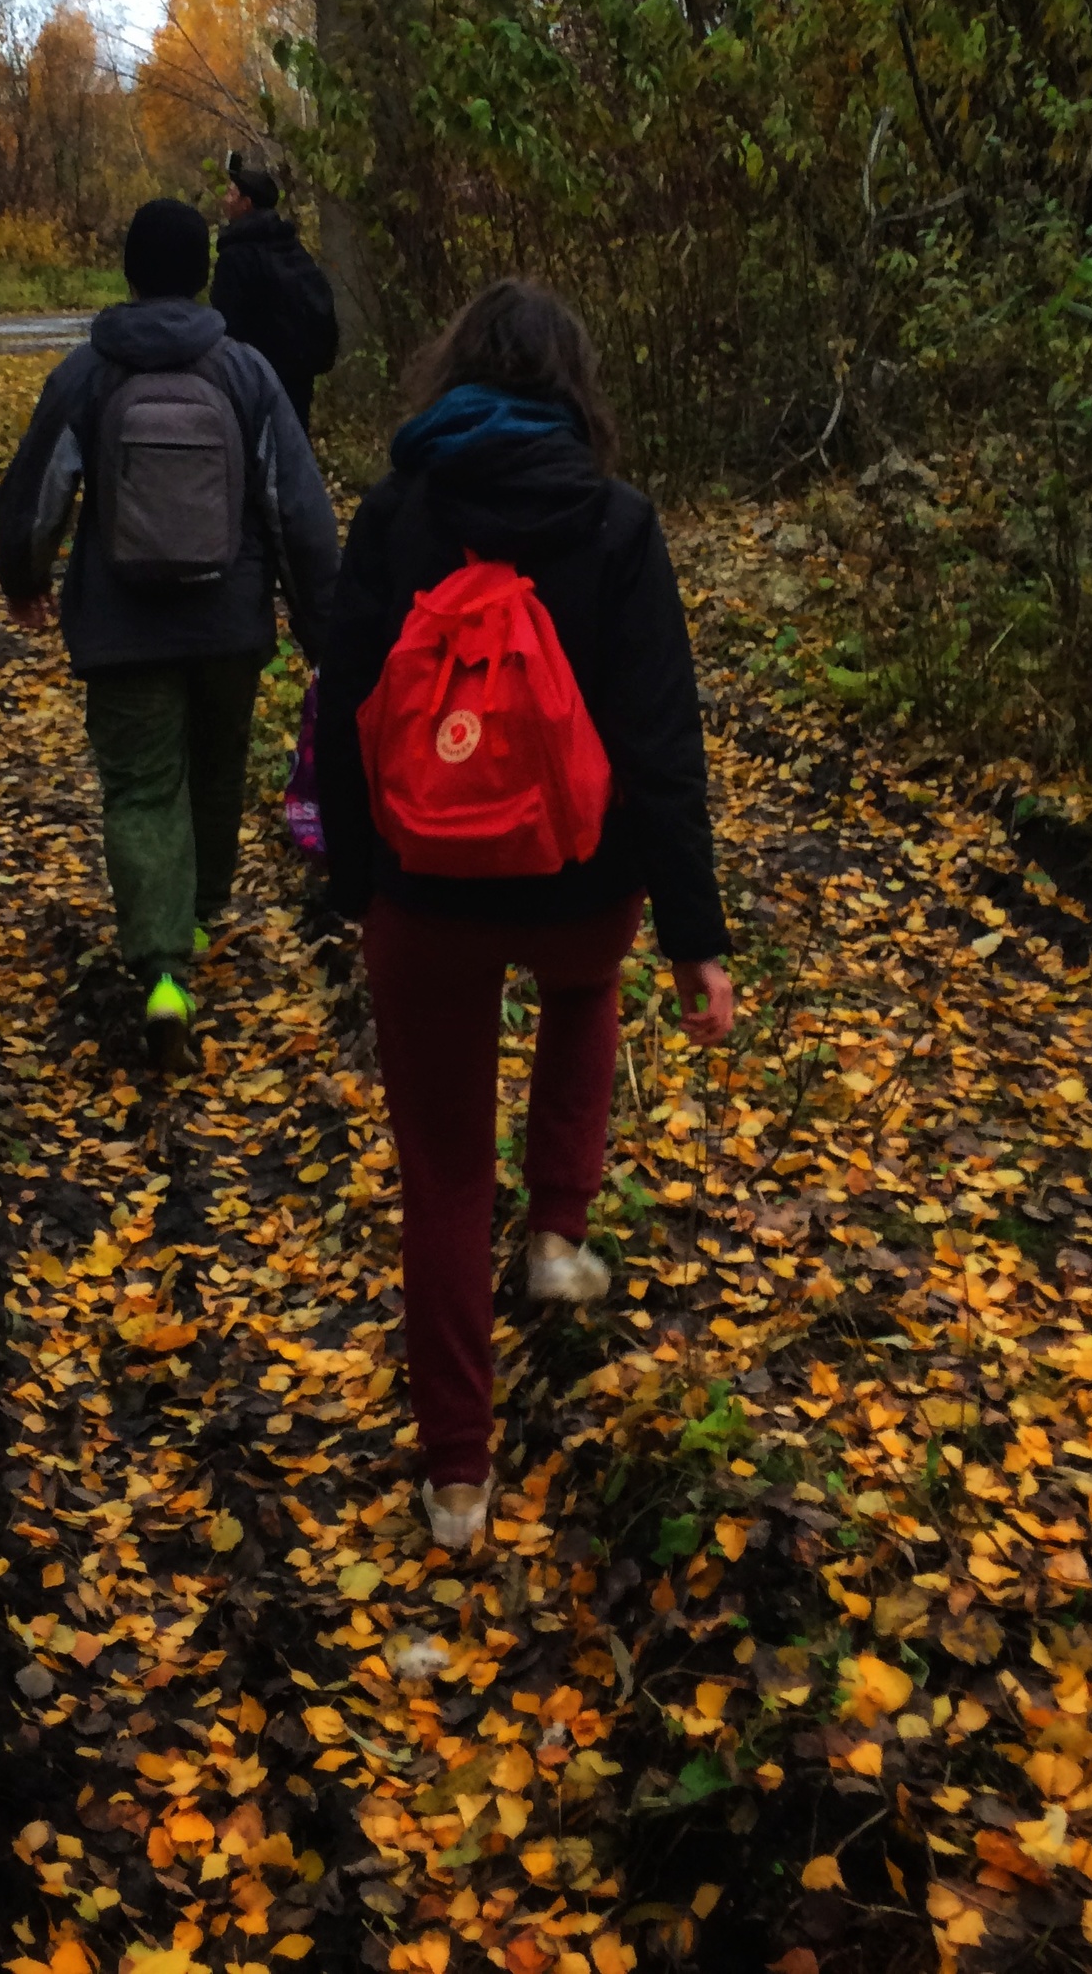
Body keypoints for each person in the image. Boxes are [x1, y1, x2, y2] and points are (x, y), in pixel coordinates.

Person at [317, 279, 735, 1550]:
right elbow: (660, 745)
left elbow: (341, 708)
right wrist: (693, 937)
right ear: (574, 386)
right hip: (577, 880)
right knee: (581, 984)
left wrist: (355, 884)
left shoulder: (396, 511)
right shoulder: (614, 521)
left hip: (426, 891)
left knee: (439, 1179)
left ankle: (456, 1480)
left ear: (449, 374)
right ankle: (557, 1226)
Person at [0, 196, 340, 1070]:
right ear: (201, 275)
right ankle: (194, 912)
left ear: (129, 272)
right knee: (214, 776)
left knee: (144, 790)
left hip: (122, 627)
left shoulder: (89, 371)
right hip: (231, 623)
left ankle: (162, 970)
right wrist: (318, 618)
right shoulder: (247, 373)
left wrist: (25, 576)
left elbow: (39, 490)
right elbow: (295, 507)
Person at [210, 159, 341, 434]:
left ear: (246, 204)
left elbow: (226, 326)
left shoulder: (237, 256)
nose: (226, 199)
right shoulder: (290, 247)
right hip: (297, 381)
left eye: (232, 193)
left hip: (254, 384)